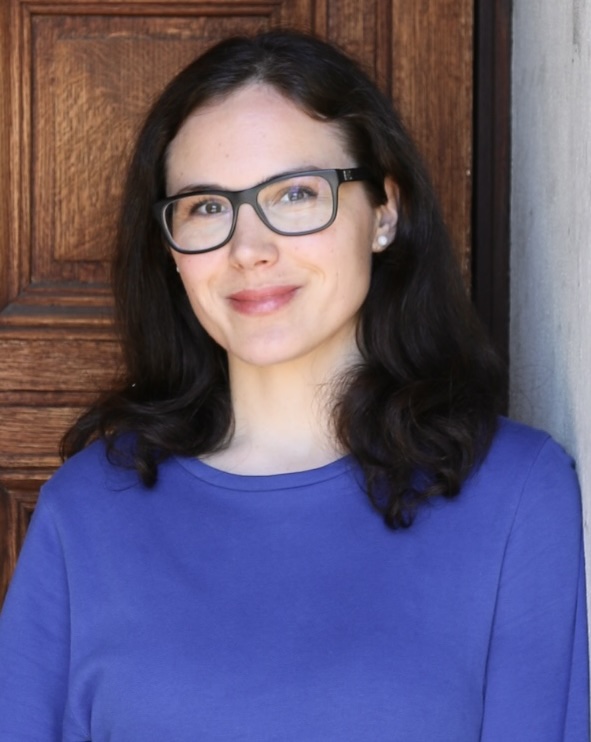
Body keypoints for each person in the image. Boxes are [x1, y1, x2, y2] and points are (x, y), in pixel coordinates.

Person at [0, 28, 587, 741]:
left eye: (296, 193)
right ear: (169, 248)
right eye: (207, 207)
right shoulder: (85, 513)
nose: (249, 249)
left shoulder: (515, 493)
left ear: (383, 211)